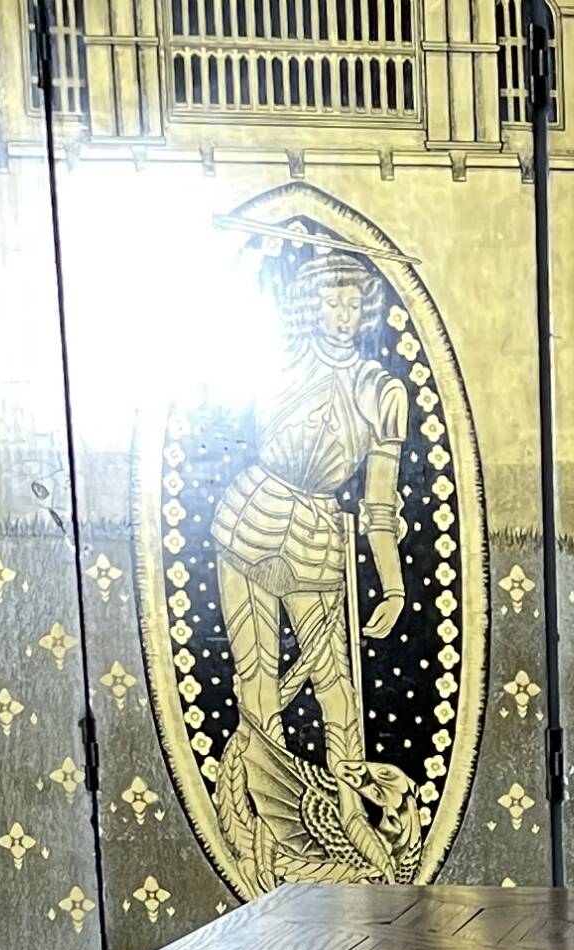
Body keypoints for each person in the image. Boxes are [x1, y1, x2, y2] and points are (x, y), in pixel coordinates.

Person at [210, 242, 414, 870]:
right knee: (256, 678)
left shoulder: (382, 392)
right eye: (331, 301)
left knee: (336, 688)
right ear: (307, 305)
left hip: (318, 535)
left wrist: (393, 585)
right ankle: (262, 831)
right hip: (249, 516)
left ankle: (353, 819)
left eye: (354, 302)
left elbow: (379, 504)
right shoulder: (273, 363)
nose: (344, 314)